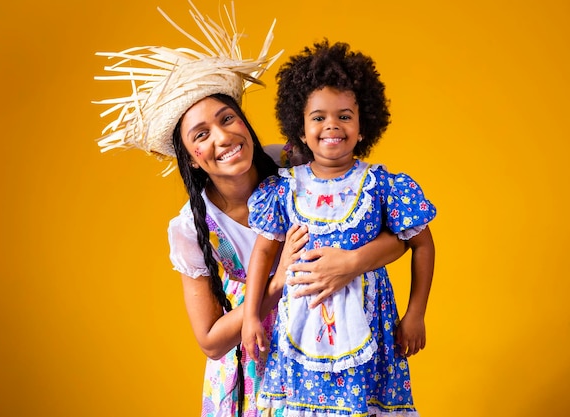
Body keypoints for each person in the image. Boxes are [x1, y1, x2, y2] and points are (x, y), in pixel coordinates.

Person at [94, 4, 409, 417]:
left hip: (331, 343)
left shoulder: (295, 166)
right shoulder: (193, 227)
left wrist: (350, 263)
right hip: (255, 367)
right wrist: (277, 283)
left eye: (228, 118)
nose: (223, 137)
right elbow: (209, 340)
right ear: (190, 156)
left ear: (244, 120)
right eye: (201, 134)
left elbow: (401, 235)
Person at [241, 40, 437, 416]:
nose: (332, 125)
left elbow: (422, 244)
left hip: (370, 329)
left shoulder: (383, 186)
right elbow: (263, 252)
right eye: (318, 117)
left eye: (345, 116)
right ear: (300, 127)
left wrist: (416, 313)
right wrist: (251, 315)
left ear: (364, 126)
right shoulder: (283, 188)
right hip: (300, 327)